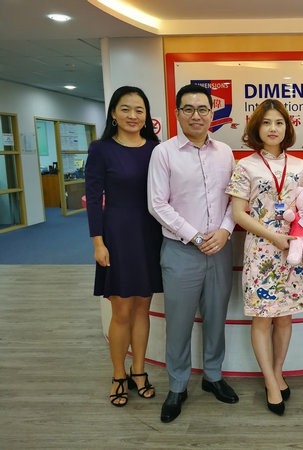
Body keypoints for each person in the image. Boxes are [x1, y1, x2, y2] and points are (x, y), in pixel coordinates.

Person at [148, 83, 239, 423]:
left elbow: (236, 199)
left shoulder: (225, 152)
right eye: (188, 109)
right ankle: (177, 386)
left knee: (216, 318)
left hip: (220, 249)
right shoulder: (164, 153)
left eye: (203, 109)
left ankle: (213, 376)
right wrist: (196, 236)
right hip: (181, 250)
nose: (196, 115)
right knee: (179, 322)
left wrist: (225, 230)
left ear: (212, 113)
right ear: (177, 113)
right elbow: (157, 204)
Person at [226, 99, 303, 416]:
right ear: (256, 128)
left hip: (292, 250)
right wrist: (272, 235)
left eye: (279, 122)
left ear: (287, 128)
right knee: (262, 317)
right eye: (266, 122)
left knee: (285, 317)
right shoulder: (245, 166)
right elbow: (238, 213)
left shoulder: (300, 167)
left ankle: (278, 371)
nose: (273, 128)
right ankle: (269, 381)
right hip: (262, 250)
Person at [84, 86, 163, 407]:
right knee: (121, 311)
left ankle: (138, 371)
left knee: (143, 308)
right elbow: (93, 199)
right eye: (126, 109)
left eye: (139, 110)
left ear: (147, 116)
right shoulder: (101, 149)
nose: (133, 115)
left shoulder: (157, 149)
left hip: (151, 235)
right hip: (117, 235)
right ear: (114, 114)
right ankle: (118, 374)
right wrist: (98, 243)